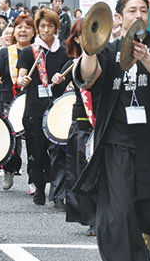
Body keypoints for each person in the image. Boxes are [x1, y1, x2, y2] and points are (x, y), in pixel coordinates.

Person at [73, 0, 150, 261]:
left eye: (143, 11)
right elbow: (88, 78)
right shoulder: (108, 49)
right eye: (132, 11)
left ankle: (144, 241)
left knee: (149, 214)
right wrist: (89, 49)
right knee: (118, 214)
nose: (138, 15)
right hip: (116, 143)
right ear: (119, 18)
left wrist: (145, 56)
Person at [17, 8, 69, 207]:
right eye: (42, 26)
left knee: (58, 151)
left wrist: (62, 78)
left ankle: (58, 194)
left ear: (56, 28)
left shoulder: (64, 52)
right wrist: (24, 79)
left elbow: (71, 79)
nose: (46, 30)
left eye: (50, 26)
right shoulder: (29, 51)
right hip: (34, 109)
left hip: (57, 108)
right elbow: (20, 78)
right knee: (36, 151)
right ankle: (39, 186)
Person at [51, 18, 97, 236]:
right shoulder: (72, 64)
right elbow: (57, 97)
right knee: (83, 173)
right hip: (82, 121)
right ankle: (92, 219)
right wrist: (57, 81)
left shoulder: (107, 58)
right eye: (82, 34)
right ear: (76, 39)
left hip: (105, 121)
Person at [0, 14, 35, 190]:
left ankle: (34, 176)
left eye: (27, 27)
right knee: (11, 139)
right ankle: (9, 169)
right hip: (8, 99)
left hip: (31, 99)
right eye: (19, 27)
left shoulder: (36, 51)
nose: (22, 30)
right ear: (14, 31)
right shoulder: (5, 52)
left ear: (33, 32)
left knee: (33, 139)